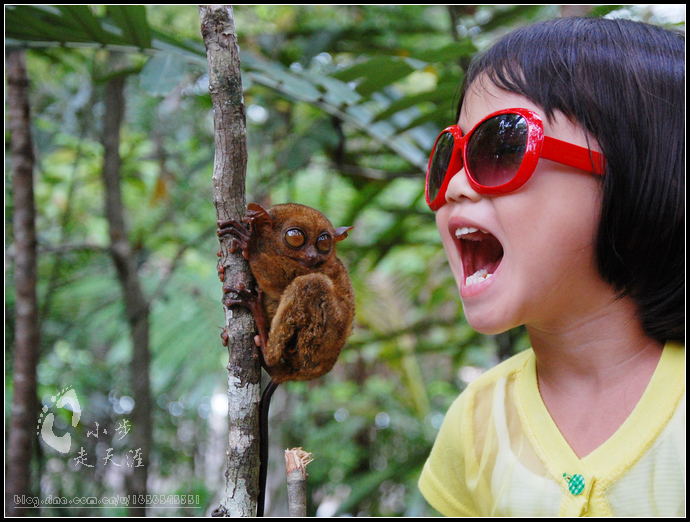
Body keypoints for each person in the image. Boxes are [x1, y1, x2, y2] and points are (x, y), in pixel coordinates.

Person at [418, 17, 684, 517]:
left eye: (500, 148)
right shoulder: (475, 425)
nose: (454, 186)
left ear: (639, 174)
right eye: (449, 158)